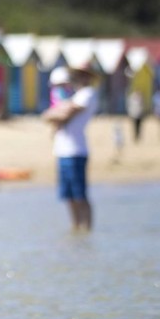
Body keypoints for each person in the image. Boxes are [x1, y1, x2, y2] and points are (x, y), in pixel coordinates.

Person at [43, 63, 98, 232]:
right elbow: (53, 114)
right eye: (76, 75)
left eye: (81, 75)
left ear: (88, 77)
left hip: (76, 150)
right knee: (68, 195)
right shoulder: (74, 96)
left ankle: (86, 228)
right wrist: (54, 113)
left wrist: (53, 114)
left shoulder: (87, 94)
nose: (77, 78)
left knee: (80, 193)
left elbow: (63, 114)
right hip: (63, 150)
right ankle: (76, 227)